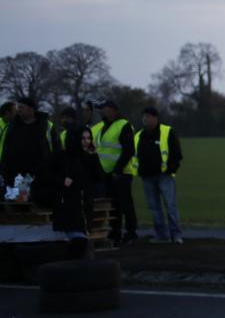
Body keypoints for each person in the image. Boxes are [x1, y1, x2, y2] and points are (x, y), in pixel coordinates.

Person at [42, 126, 105, 256]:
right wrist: (62, 181)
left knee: (82, 246)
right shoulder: (60, 157)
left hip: (84, 208)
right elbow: (44, 176)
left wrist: (94, 157)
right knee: (77, 244)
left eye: (88, 138)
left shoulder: (89, 158)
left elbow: (99, 177)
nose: (86, 142)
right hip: (67, 208)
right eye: (83, 138)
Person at [90, 99, 137, 246]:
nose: (101, 111)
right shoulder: (103, 126)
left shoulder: (123, 125)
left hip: (121, 173)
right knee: (113, 206)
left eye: (103, 108)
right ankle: (115, 233)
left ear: (112, 109)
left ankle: (131, 233)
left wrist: (117, 170)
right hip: (106, 173)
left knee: (125, 204)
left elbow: (129, 150)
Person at [135, 106, 184, 244]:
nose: (145, 119)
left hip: (165, 176)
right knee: (154, 207)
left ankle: (176, 235)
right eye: (144, 116)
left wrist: (171, 170)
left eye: (148, 116)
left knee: (170, 205)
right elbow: (134, 156)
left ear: (155, 118)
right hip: (147, 177)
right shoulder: (139, 136)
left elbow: (176, 154)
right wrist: (140, 171)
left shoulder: (167, 132)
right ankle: (162, 235)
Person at [0, 97, 53, 186]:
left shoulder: (46, 126)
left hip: (41, 176)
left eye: (21, 107)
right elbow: (5, 149)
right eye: (18, 108)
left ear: (31, 109)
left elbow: (54, 148)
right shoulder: (11, 126)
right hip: (15, 177)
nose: (18, 110)